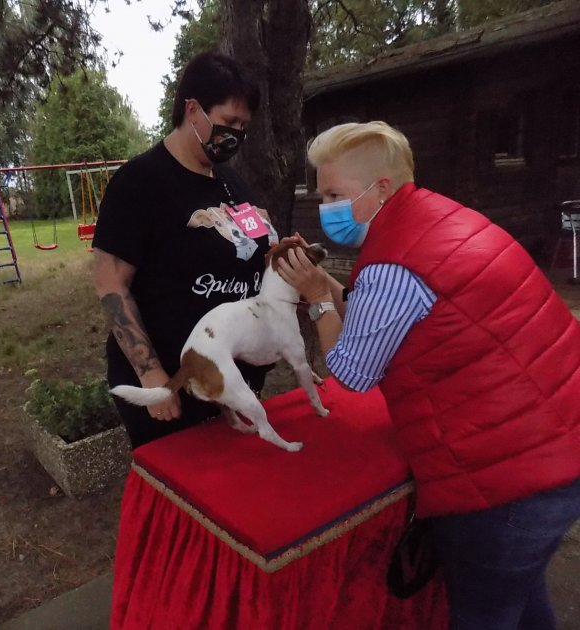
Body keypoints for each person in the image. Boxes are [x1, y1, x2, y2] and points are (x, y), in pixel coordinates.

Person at [277, 120, 580, 630]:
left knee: (484, 613)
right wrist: (325, 280)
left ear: (381, 189)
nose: (325, 207)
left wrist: (314, 299)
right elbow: (379, 318)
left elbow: (351, 371)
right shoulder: (437, 219)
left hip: (506, 480)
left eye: (334, 195)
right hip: (556, 441)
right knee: (522, 599)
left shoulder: (393, 265)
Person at [92, 52, 279, 449]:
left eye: (244, 126)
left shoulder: (232, 183)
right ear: (193, 110)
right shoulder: (139, 183)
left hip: (231, 380)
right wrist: (151, 375)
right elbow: (110, 284)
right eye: (229, 122)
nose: (237, 134)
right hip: (173, 386)